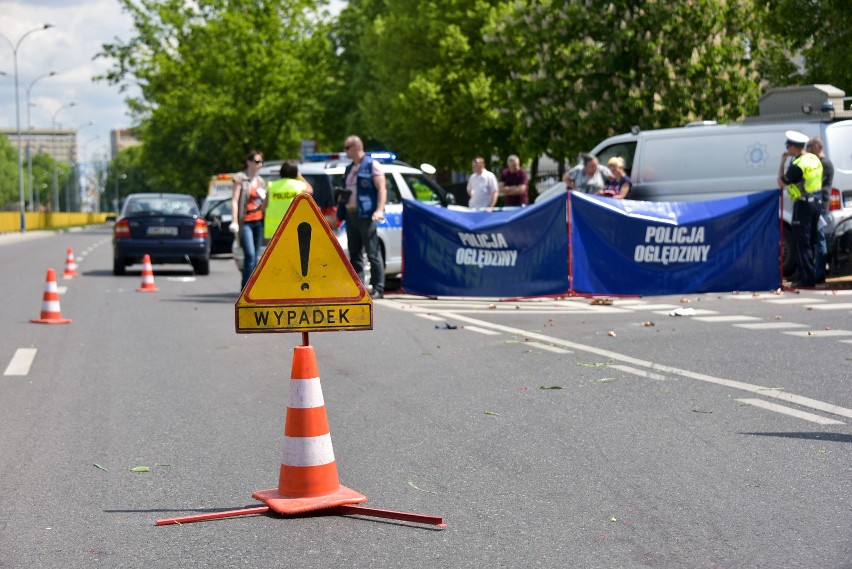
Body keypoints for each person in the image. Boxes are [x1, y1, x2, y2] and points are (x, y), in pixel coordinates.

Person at [342, 135, 387, 299]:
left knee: (372, 252)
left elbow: (382, 189)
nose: (345, 151)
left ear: (356, 147)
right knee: (354, 253)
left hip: (366, 215)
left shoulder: (372, 165)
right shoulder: (349, 168)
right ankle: (359, 288)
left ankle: (378, 288)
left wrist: (379, 210)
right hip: (351, 214)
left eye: (347, 147)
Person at [777, 131, 823, 287]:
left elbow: (781, 183)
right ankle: (811, 274)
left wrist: (782, 162)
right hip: (816, 203)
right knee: (811, 241)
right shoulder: (813, 159)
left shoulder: (797, 166)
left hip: (803, 205)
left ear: (792, 147)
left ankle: (806, 279)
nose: (787, 149)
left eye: (787, 146)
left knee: (801, 243)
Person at [230, 150, 267, 290]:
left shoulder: (261, 181)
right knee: (250, 254)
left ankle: (249, 286)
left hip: (259, 220)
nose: (259, 164)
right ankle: (246, 288)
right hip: (245, 221)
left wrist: (264, 199)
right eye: (257, 161)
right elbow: (234, 201)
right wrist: (234, 221)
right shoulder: (240, 178)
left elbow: (263, 205)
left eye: (261, 162)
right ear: (249, 162)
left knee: (255, 256)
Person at [806, 137, 834, 283]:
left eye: (809, 147)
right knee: (816, 239)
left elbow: (814, 181)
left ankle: (819, 274)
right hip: (817, 206)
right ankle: (816, 272)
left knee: (820, 239)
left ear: (816, 146)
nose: (807, 150)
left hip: (820, 207)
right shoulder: (820, 163)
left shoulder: (824, 164)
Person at [264, 160, 313, 240]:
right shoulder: (299, 185)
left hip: (274, 230)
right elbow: (310, 190)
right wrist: (299, 176)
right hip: (293, 227)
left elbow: (264, 206)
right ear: (296, 173)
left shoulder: (272, 185)